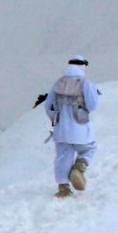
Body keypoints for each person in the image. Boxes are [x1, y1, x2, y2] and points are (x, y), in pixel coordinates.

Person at [44, 57, 100, 197]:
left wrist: (55, 119)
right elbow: (92, 105)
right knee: (89, 149)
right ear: (82, 67)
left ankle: (63, 188)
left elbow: (48, 105)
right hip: (81, 129)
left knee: (63, 156)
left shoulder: (58, 83)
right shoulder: (85, 83)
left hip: (62, 130)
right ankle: (79, 167)